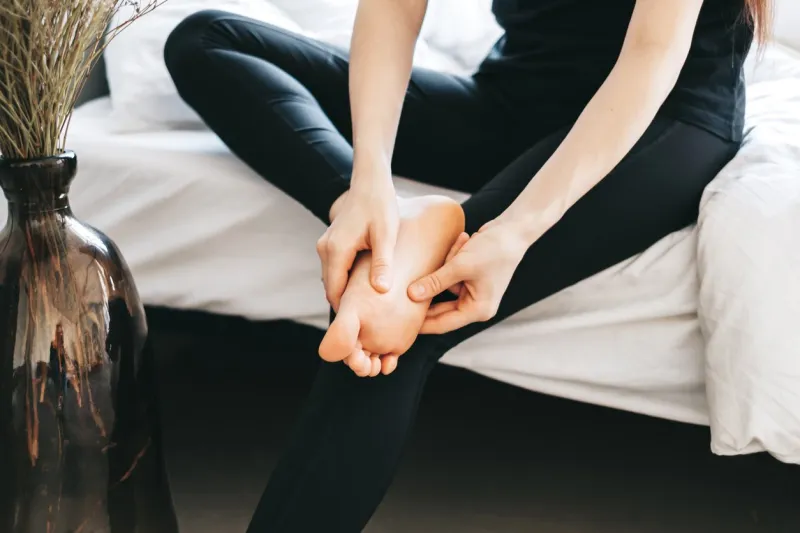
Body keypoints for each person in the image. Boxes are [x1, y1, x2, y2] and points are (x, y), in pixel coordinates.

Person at [164, 0, 768, 530]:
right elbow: (396, 7)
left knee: (391, 329)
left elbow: (652, 54)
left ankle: (403, 269)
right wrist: (366, 180)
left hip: (662, 119)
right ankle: (385, 228)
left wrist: (513, 230)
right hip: (517, 98)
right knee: (206, 39)